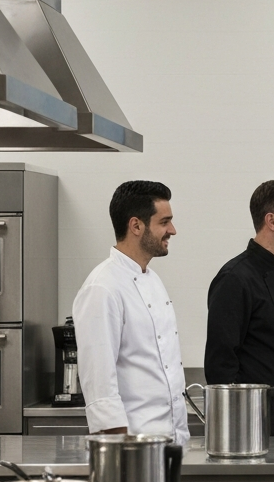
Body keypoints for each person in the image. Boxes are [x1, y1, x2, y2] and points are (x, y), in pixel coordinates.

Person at [73, 180, 189, 444]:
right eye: (164, 222)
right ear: (136, 225)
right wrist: (122, 456)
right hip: (133, 449)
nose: (172, 230)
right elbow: (99, 383)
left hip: (170, 442)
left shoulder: (153, 279)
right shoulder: (102, 287)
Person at [204, 180, 274, 436]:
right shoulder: (235, 278)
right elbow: (220, 367)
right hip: (257, 427)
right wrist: (240, 427)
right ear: (272, 221)